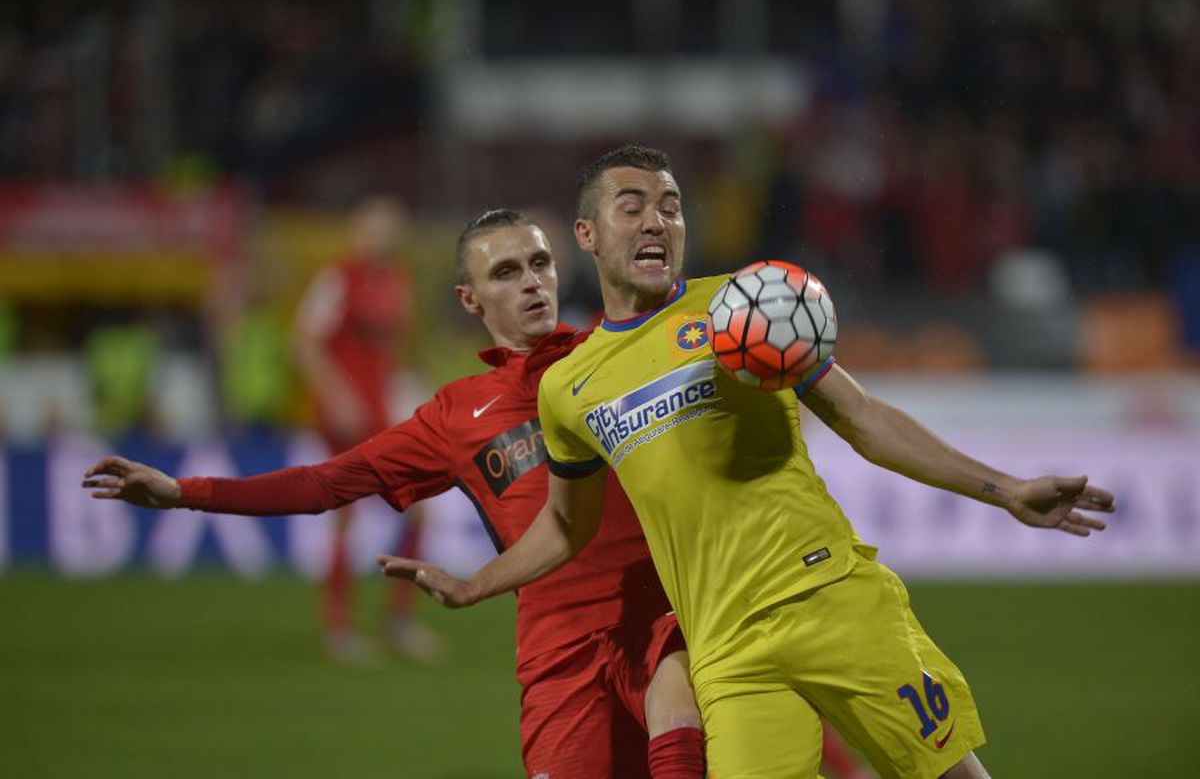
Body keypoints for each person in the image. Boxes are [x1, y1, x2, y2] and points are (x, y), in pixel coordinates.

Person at [378, 146, 1117, 779]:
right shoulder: (570, 388)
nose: (655, 221)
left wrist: (1007, 488)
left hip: (830, 599)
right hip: (725, 651)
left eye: (670, 206)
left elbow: (861, 416)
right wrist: (478, 583)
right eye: (631, 206)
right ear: (588, 234)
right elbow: (566, 529)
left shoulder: (743, 309)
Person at [84, 209, 707, 779]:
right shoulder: (454, 415)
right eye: (506, 272)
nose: (531, 283)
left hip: (661, 624)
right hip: (558, 654)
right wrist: (183, 491)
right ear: (470, 298)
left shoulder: (614, 352)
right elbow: (324, 483)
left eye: (540, 264)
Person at [293, 193, 439, 663]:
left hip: (378, 415)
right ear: (359, 230)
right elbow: (303, 342)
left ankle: (394, 622)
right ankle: (343, 630)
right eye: (376, 226)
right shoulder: (338, 277)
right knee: (350, 516)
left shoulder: (397, 281)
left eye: (392, 227)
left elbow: (396, 352)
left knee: (412, 511)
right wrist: (337, 394)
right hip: (346, 416)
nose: (384, 235)